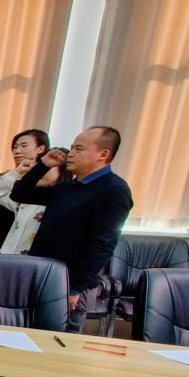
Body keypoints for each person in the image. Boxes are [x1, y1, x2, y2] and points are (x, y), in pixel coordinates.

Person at [11, 126, 133, 333]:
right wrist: (43, 165)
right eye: (72, 147)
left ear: (103, 154)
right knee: (28, 334)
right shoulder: (69, 187)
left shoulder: (114, 190)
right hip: (42, 273)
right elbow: (20, 194)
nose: (71, 154)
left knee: (59, 339)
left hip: (69, 283)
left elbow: (103, 244)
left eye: (79, 149)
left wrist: (75, 287)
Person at [0, 146, 72, 254]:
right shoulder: (25, 199)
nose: (43, 169)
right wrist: (16, 172)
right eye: (41, 164)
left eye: (51, 164)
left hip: (36, 260)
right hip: (8, 256)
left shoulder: (63, 200)